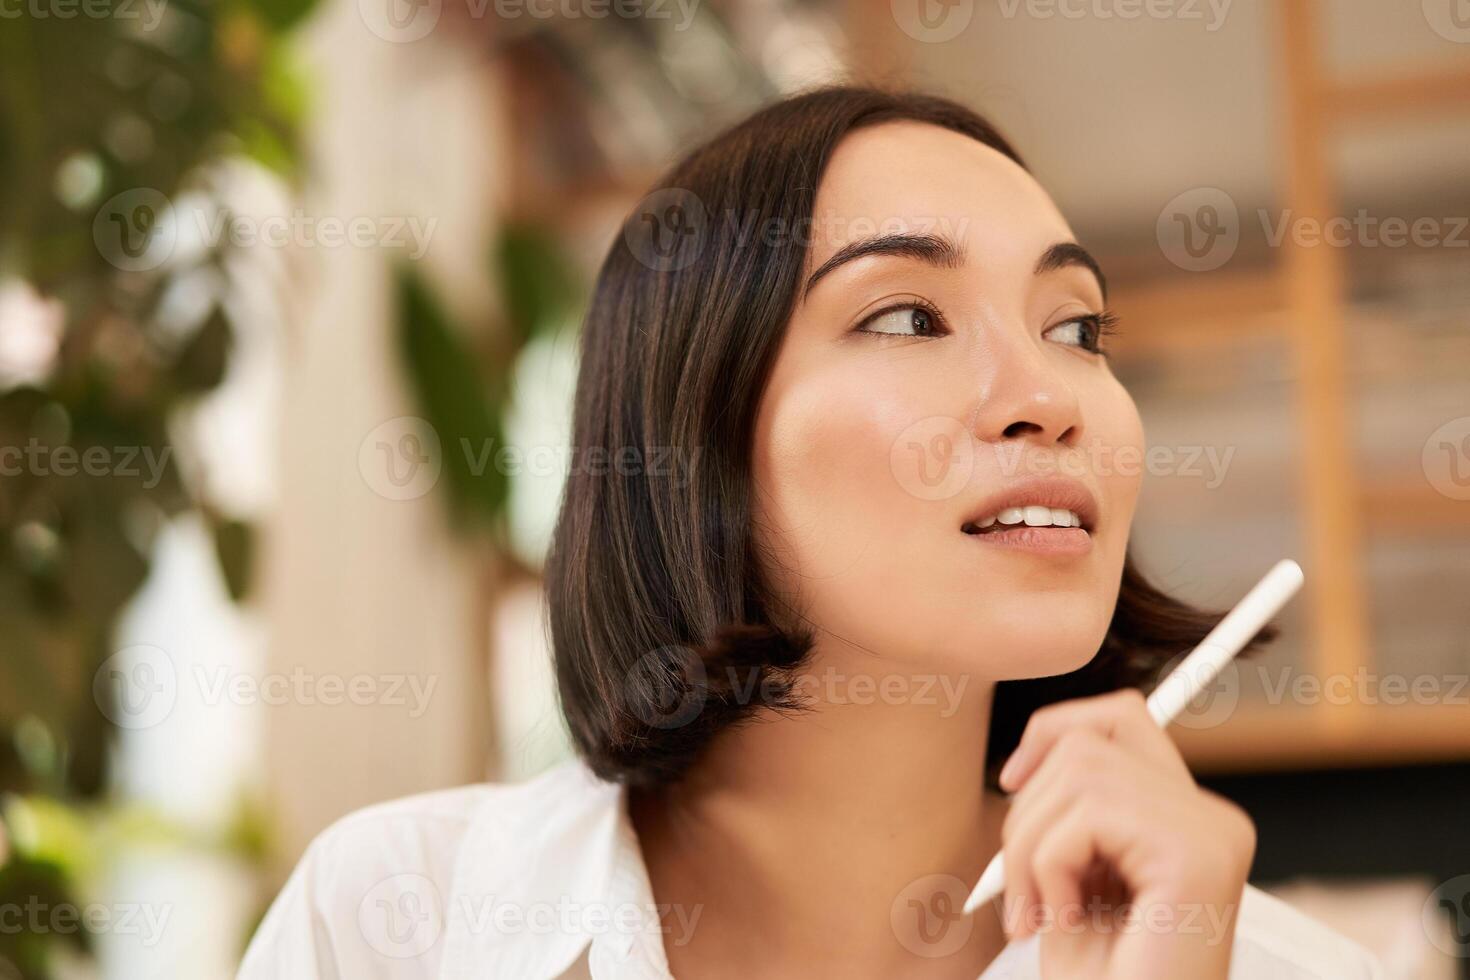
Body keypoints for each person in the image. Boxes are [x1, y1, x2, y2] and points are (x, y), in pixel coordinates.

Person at [237, 86, 1383, 979]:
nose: (1052, 392)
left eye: (1077, 325)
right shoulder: (396, 920)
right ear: (696, 429)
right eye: (905, 315)